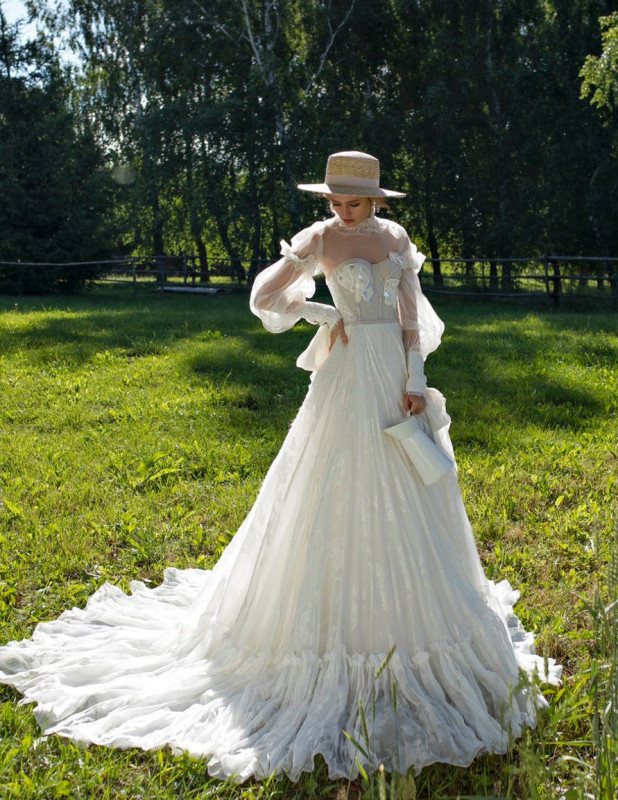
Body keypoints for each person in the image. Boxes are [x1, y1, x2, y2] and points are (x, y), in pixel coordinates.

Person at [0, 151, 560, 783]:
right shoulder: (320, 238)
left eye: (355, 201)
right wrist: (321, 312)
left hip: (393, 381)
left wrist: (416, 378)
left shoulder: (395, 238)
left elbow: (410, 315)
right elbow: (265, 296)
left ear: (377, 200)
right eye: (337, 200)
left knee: (409, 479)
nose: (344, 210)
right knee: (329, 484)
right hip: (345, 378)